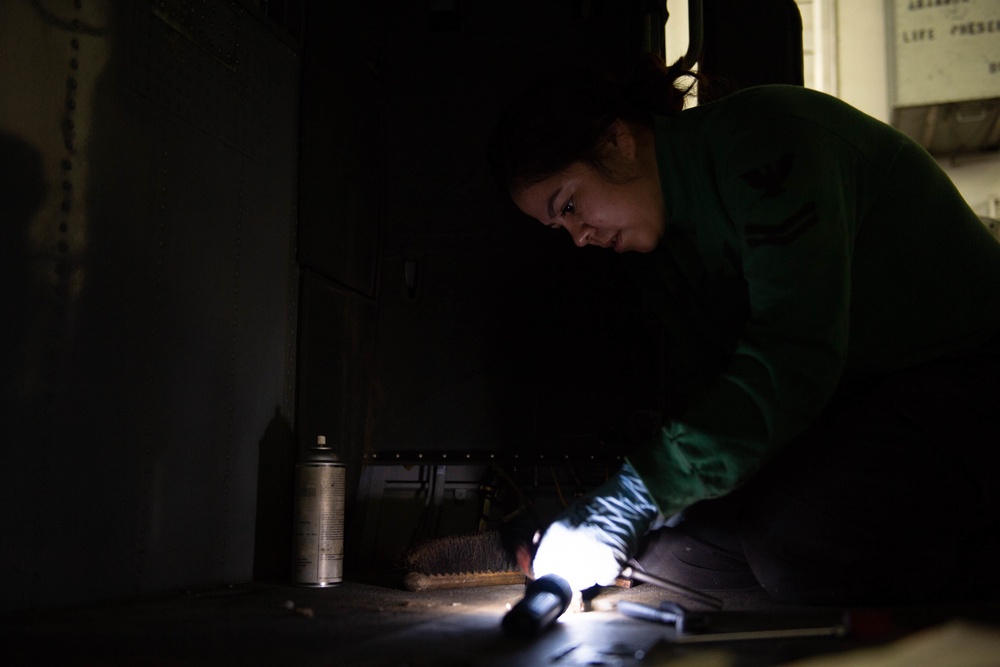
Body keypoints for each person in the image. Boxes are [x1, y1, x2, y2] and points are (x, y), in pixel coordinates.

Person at [488, 55, 1000, 606]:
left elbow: (792, 362)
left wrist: (634, 498)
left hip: (964, 383)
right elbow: (716, 400)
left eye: (569, 204)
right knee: (666, 560)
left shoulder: (771, 141)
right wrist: (622, 517)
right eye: (558, 225)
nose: (577, 237)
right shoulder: (658, 248)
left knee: (792, 544)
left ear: (618, 142)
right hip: (854, 412)